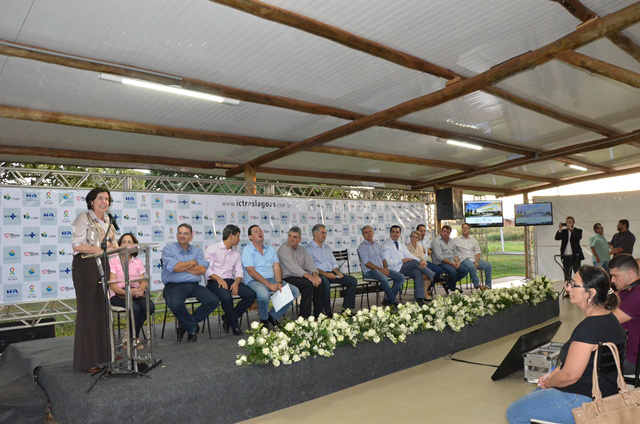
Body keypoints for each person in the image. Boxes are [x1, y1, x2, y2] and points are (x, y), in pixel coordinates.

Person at [506, 265, 625, 424]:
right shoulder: (609, 319)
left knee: (515, 413)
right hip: (604, 392)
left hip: (584, 399)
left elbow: (570, 376)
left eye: (573, 284)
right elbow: (577, 365)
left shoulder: (589, 329)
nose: (567, 287)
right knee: (535, 394)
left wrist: (548, 382)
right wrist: (552, 374)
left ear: (590, 293)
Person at [71, 186, 119, 372]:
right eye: (100, 198)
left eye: (107, 199)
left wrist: (121, 248)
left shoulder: (108, 220)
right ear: (92, 201)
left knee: (101, 309)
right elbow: (77, 245)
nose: (104, 202)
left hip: (103, 265)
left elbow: (112, 244)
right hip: (86, 266)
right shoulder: (84, 217)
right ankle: (87, 360)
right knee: (88, 311)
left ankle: (103, 354)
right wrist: (101, 250)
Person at [162, 223, 218, 343]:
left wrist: (182, 266)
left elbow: (202, 269)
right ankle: (192, 327)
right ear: (176, 235)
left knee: (213, 300)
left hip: (194, 285)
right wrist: (193, 263)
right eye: (179, 233)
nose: (182, 236)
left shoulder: (197, 250)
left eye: (185, 233)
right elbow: (175, 267)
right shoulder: (168, 249)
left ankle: (185, 324)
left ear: (191, 236)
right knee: (175, 303)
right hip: (174, 286)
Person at [242, 225, 300, 329]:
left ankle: (272, 316)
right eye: (256, 231)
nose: (260, 232)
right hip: (254, 281)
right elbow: (251, 272)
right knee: (264, 295)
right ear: (250, 237)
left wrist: (279, 282)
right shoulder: (247, 250)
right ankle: (264, 319)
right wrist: (269, 285)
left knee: (294, 291)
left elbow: (277, 268)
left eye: (260, 230)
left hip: (272, 279)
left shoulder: (270, 248)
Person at [204, 225, 256, 336]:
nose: (238, 239)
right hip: (214, 281)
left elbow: (239, 271)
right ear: (231, 235)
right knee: (226, 297)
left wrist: (237, 282)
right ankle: (235, 326)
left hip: (230, 281)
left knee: (251, 294)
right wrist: (219, 279)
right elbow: (206, 269)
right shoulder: (213, 248)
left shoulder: (236, 253)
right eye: (237, 236)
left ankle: (228, 317)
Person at [109, 232, 155, 349]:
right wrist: (128, 292)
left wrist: (141, 289)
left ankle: (129, 335)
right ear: (119, 245)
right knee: (135, 308)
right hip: (119, 293)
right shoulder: (114, 260)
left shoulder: (137, 261)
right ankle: (133, 337)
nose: (126, 244)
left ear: (134, 245)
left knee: (150, 306)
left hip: (136, 292)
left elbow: (143, 281)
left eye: (129, 242)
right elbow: (113, 286)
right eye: (123, 242)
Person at [306, 223, 357, 315]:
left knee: (352, 281)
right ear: (315, 233)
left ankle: (347, 310)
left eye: (325, 233)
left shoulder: (327, 247)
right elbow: (311, 267)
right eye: (322, 233)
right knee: (325, 283)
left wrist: (337, 271)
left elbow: (334, 263)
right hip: (319, 274)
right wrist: (326, 274)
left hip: (332, 273)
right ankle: (328, 312)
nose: (324, 235)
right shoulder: (309, 248)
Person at [277, 227, 325, 319]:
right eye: (290, 236)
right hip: (287, 278)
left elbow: (309, 262)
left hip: (300, 277)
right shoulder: (283, 249)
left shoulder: (301, 249)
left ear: (299, 239)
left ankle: (319, 316)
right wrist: (309, 277)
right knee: (308, 284)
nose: (291, 239)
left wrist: (315, 274)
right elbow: (293, 267)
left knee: (319, 282)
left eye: (295, 237)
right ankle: (303, 318)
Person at [382, 225, 434, 305]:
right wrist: (401, 260)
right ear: (390, 233)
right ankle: (432, 275)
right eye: (393, 232)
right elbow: (387, 262)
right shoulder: (386, 245)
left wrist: (421, 260)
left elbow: (409, 255)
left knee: (417, 272)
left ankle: (419, 298)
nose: (395, 234)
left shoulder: (401, 244)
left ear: (400, 234)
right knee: (413, 262)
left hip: (403, 267)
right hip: (393, 269)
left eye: (397, 232)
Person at [357, 225, 404, 307]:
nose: (368, 234)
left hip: (381, 270)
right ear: (363, 235)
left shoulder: (377, 245)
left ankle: (387, 299)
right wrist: (381, 270)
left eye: (370, 231)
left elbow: (384, 259)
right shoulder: (362, 247)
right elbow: (367, 263)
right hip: (369, 272)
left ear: (373, 232)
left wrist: (385, 268)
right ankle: (394, 301)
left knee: (401, 277)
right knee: (384, 278)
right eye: (365, 232)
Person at [609, 254, 640, 375]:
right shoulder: (627, 290)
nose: (612, 280)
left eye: (615, 276)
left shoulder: (637, 293)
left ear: (631, 274)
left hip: (633, 359)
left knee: (583, 364)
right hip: (623, 351)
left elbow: (609, 319)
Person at [453, 223, 492, 290]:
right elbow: (454, 253)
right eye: (463, 228)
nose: (464, 229)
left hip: (474, 259)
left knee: (488, 266)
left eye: (466, 228)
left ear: (469, 230)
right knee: (471, 266)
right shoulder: (456, 240)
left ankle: (488, 286)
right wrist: (457, 261)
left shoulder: (473, 240)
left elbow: (478, 252)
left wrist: (476, 261)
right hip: (463, 259)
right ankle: (477, 285)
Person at [431, 225, 464, 293]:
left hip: (452, 262)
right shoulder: (436, 241)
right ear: (441, 231)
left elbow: (455, 254)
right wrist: (452, 264)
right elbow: (439, 257)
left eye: (448, 232)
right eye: (444, 231)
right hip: (441, 263)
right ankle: (452, 290)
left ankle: (449, 283)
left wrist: (458, 262)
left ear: (450, 233)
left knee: (464, 270)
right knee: (453, 272)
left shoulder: (451, 241)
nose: (446, 233)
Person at [554, 216, 584, 283]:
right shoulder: (564, 231)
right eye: (567, 222)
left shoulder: (578, 230)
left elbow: (578, 237)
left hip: (575, 256)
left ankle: (578, 287)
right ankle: (567, 288)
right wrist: (560, 229)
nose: (568, 224)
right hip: (565, 256)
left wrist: (572, 230)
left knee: (577, 273)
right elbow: (557, 238)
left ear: (573, 223)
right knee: (567, 274)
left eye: (570, 222)